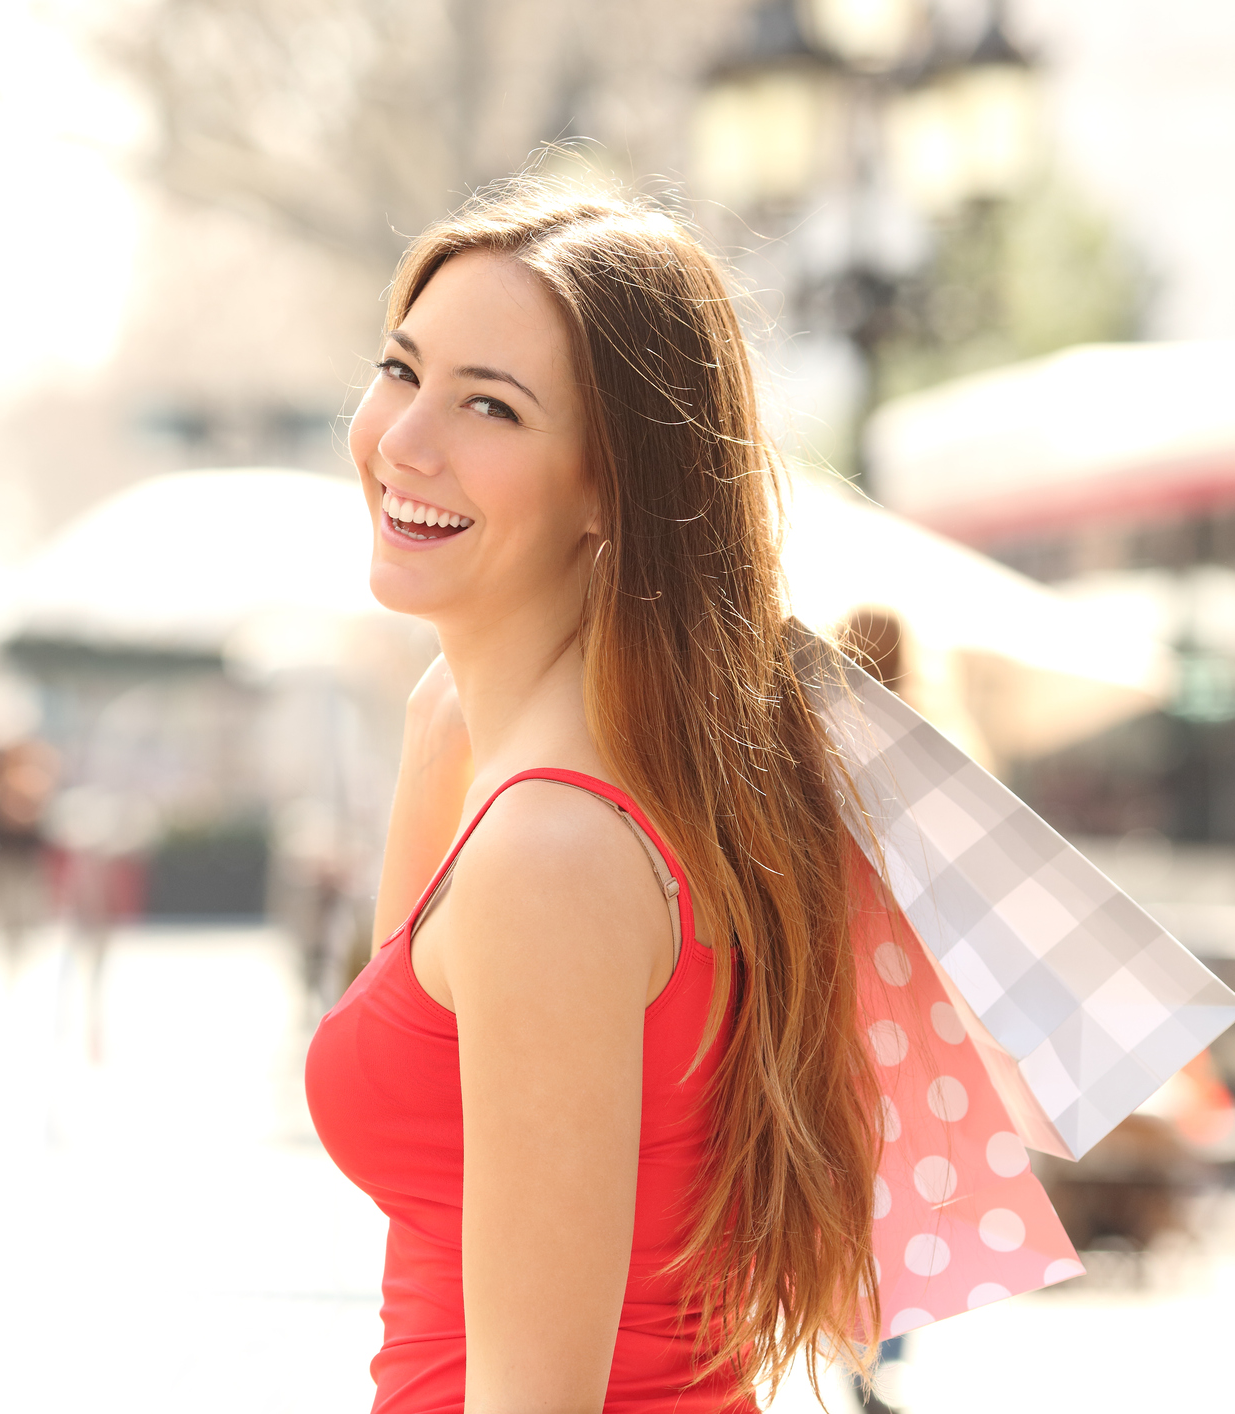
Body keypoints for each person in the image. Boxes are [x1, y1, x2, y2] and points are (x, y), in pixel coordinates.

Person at [304, 178, 883, 1413]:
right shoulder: (490, 747)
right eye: (401, 370)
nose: (405, 440)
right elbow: (437, 1222)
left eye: (491, 406)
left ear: (612, 485)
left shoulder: (553, 848)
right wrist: (435, 750)